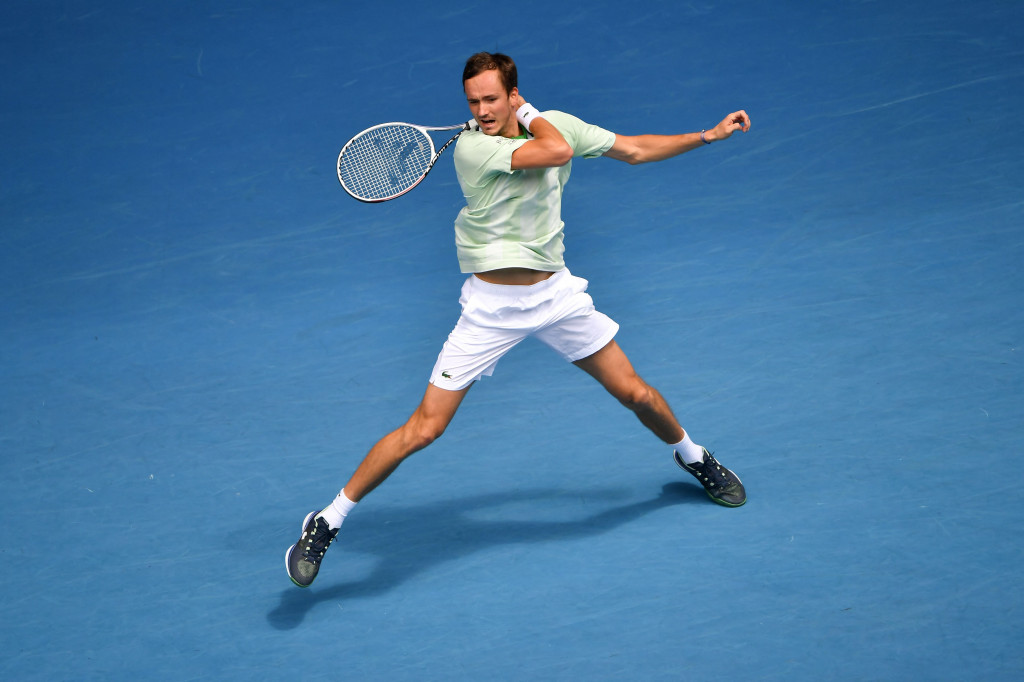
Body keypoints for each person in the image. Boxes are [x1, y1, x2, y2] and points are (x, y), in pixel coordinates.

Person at [286, 52, 752, 588]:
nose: (482, 111)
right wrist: (529, 113)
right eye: (473, 102)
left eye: (491, 99)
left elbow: (635, 150)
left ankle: (692, 456)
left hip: (555, 296)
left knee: (635, 393)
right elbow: (555, 150)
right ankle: (327, 520)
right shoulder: (473, 148)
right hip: (491, 310)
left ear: (512, 94)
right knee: (425, 428)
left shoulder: (556, 124)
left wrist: (708, 135)